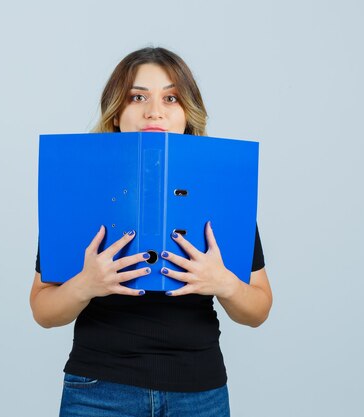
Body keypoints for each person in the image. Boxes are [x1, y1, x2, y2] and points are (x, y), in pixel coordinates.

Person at [29, 47, 273, 417]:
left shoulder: (219, 191)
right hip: (99, 392)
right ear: (117, 113)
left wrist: (223, 282)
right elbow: (43, 310)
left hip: (200, 394)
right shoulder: (80, 189)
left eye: (170, 98)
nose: (154, 111)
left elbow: (258, 310)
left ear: (187, 113)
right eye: (137, 97)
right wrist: (86, 284)